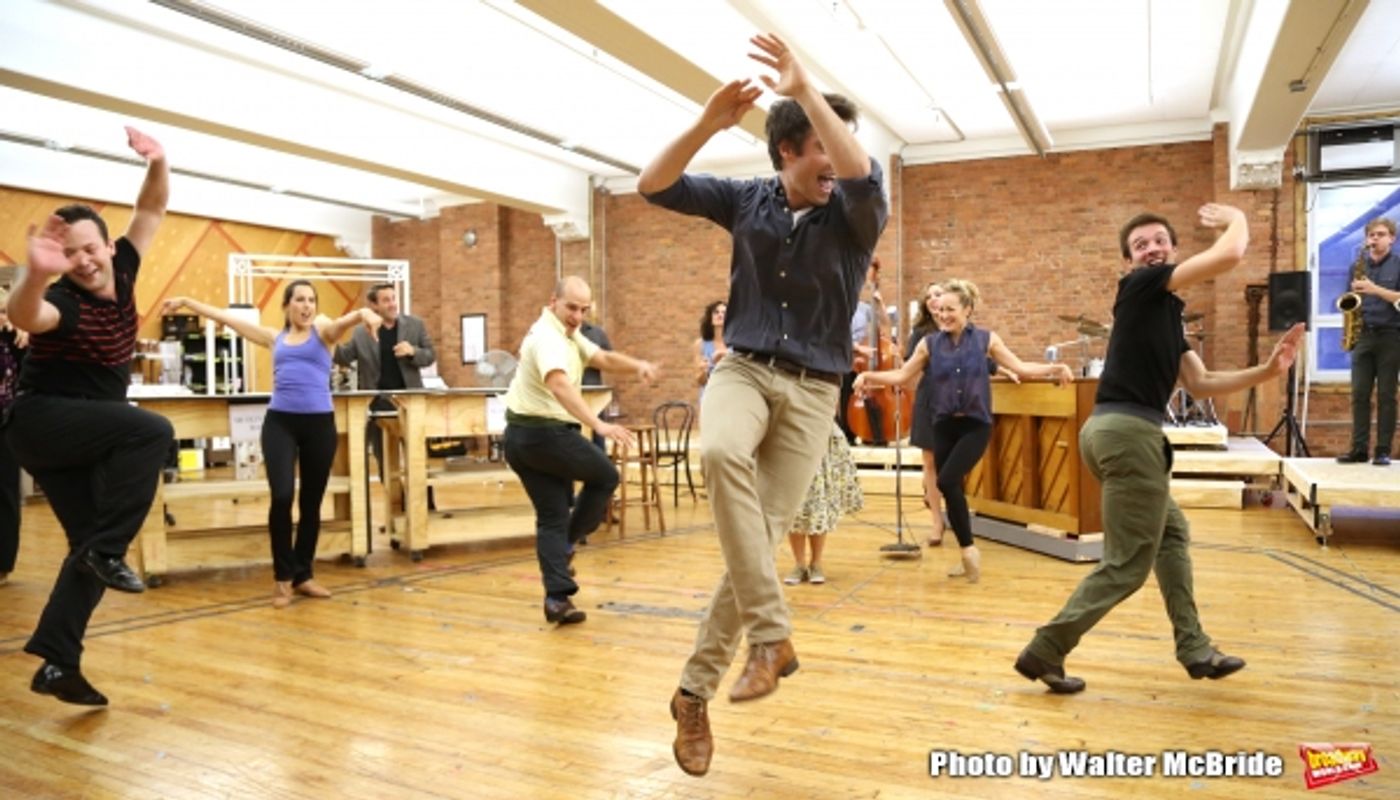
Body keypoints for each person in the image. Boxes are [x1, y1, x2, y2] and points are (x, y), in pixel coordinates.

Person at [639, 32, 888, 777]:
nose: (834, 160)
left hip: (815, 391)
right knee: (717, 454)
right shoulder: (744, 200)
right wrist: (708, 124)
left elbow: (861, 168)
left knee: (757, 545)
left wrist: (808, 90)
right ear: (784, 151)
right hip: (744, 371)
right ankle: (772, 637)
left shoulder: (855, 213)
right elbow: (652, 184)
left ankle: (692, 693)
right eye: (817, 146)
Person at [1013, 204, 1306, 695]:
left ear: (1173, 248)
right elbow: (1232, 252)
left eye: (1158, 241)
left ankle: (1194, 648)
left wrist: (1268, 371)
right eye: (1140, 245)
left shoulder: (1168, 316)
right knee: (1126, 567)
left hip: (1117, 433)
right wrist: (1236, 214)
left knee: (1171, 533)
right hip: (1127, 434)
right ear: (1130, 263)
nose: (1151, 248)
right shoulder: (1143, 287)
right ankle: (1046, 648)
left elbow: (1203, 382)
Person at [5, 126, 174, 706]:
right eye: (69, 252)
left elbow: (151, 206)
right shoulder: (65, 305)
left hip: (81, 432)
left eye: (89, 248)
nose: (82, 260)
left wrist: (157, 159)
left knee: (85, 548)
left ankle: (58, 661)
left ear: (108, 246)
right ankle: (108, 552)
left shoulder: (124, 266)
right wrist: (36, 273)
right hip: (43, 421)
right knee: (152, 430)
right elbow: (27, 314)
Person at [163, 285, 381, 608]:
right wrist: (187, 300)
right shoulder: (272, 337)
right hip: (280, 423)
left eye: (311, 300)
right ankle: (283, 579)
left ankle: (303, 575)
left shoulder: (324, 334)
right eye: (300, 300)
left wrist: (362, 313)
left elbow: (340, 325)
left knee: (311, 502)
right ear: (287, 305)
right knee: (281, 496)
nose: (306, 306)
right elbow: (226, 318)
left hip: (319, 426)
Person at [858, 279, 1072, 583]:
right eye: (939, 310)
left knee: (945, 479)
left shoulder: (986, 339)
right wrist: (869, 375)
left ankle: (970, 552)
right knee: (950, 487)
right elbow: (903, 375)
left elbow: (1021, 368)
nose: (943, 315)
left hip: (975, 425)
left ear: (967, 310)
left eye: (950, 309)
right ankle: (965, 551)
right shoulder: (928, 344)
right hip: (943, 425)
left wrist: (1055, 368)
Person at [501, 276, 657, 627]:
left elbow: (600, 356)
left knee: (553, 515)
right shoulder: (547, 338)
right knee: (606, 475)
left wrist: (637, 366)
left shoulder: (569, 334)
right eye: (571, 307)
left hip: (521, 440)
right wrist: (599, 425)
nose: (577, 316)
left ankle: (557, 600)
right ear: (553, 301)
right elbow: (558, 384)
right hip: (543, 435)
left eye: (584, 309)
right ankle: (569, 544)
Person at [332, 283, 436, 475]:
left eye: (393, 299)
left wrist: (413, 351)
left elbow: (430, 355)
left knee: (417, 460)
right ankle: (395, 503)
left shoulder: (415, 325)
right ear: (374, 305)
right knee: (386, 466)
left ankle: (426, 503)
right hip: (377, 406)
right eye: (386, 300)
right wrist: (327, 336)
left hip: (409, 403)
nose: (392, 304)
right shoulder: (361, 333)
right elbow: (344, 356)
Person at [1336, 217, 1400, 466]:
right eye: (1371, 235)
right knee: (1359, 394)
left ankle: (1383, 450)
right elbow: (1349, 300)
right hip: (1363, 335)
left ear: (1391, 239)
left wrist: (1375, 290)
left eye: (1381, 235)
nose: (1375, 239)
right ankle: (1359, 449)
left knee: (1386, 395)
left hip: (1391, 336)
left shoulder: (1398, 265)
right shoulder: (1357, 266)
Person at [783, 420, 863, 586]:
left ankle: (816, 563)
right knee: (795, 505)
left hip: (818, 437)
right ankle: (799, 564)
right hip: (791, 438)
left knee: (818, 501)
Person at [905, 281, 946, 546]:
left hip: (957, 400)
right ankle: (936, 523)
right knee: (929, 461)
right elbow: (909, 366)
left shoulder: (962, 327)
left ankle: (939, 501)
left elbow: (984, 358)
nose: (933, 299)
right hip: (929, 397)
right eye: (928, 296)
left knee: (950, 462)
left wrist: (1006, 371)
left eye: (938, 294)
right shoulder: (920, 332)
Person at [838, 262, 887, 446]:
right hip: (847, 359)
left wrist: (880, 304)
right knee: (847, 396)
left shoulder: (864, 308)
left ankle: (875, 435)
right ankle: (848, 436)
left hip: (863, 360)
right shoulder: (839, 307)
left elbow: (884, 323)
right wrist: (857, 347)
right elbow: (834, 333)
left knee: (872, 397)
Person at [0, 297, 28, 585]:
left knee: (6, 492)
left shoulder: (15, 339)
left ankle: (3, 564)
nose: (2, 317)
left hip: (6, 425)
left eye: (5, 311)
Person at [694, 300, 727, 404]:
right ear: (710, 318)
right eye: (716, 312)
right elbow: (700, 381)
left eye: (724, 313)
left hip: (731, 396)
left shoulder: (736, 345)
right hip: (709, 398)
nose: (720, 315)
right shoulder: (700, 344)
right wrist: (703, 370)